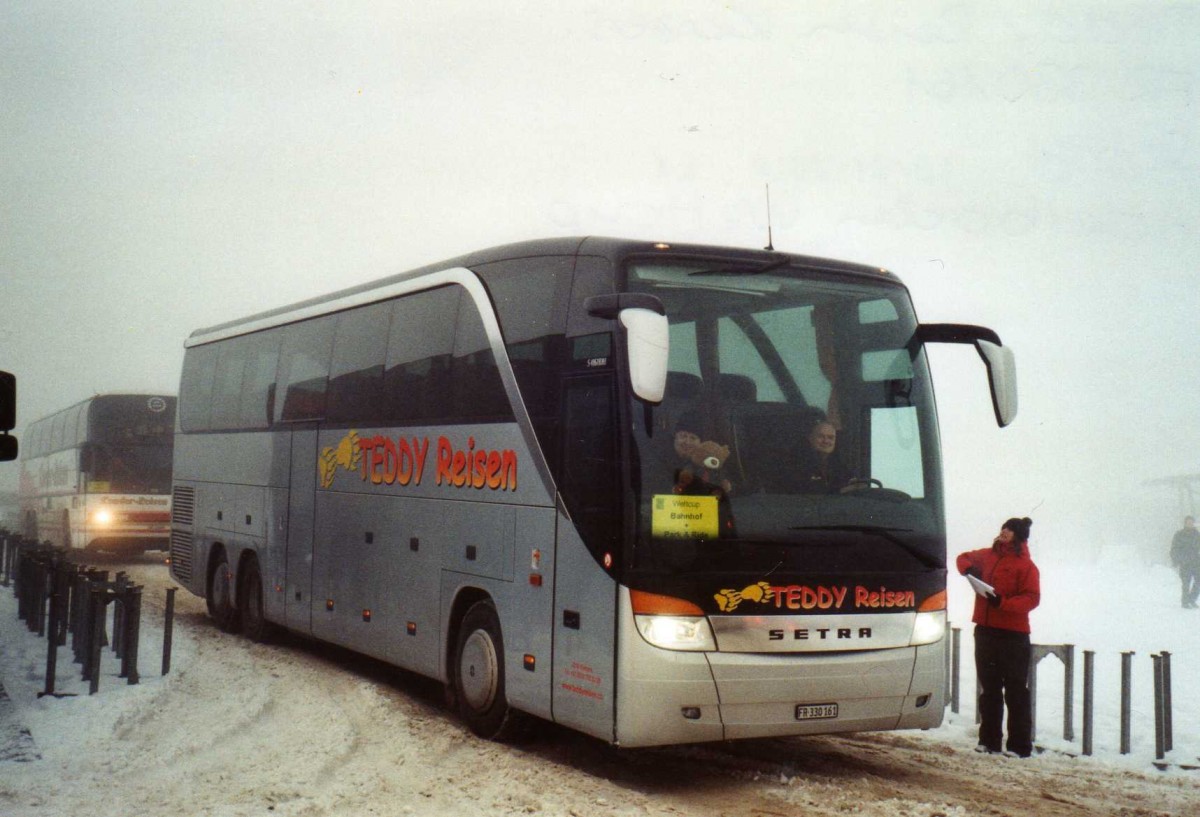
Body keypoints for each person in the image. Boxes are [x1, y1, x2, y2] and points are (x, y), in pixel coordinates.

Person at [956, 517, 1041, 758]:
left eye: (1010, 530)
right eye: (1004, 527)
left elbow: (1032, 598)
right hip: (985, 631)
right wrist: (969, 570)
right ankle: (989, 741)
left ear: (1019, 536)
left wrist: (1002, 603)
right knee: (990, 689)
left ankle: (1019, 746)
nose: (1004, 531)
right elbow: (962, 558)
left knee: (1015, 691)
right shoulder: (987, 555)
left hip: (1014, 635)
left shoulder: (1027, 566)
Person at [793, 420, 850, 493]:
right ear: (810, 438)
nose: (826, 441)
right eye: (821, 436)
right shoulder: (797, 464)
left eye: (831, 437)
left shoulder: (839, 465)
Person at [1169, 516, 1200, 609]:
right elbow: (1174, 548)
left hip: (1196, 563)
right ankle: (1185, 602)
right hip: (1185, 563)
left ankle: (1191, 599)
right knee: (1186, 583)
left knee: (1198, 582)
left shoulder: (1197, 534)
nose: (1190, 524)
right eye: (1188, 522)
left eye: (1191, 522)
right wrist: (1176, 560)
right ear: (1185, 523)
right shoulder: (1179, 534)